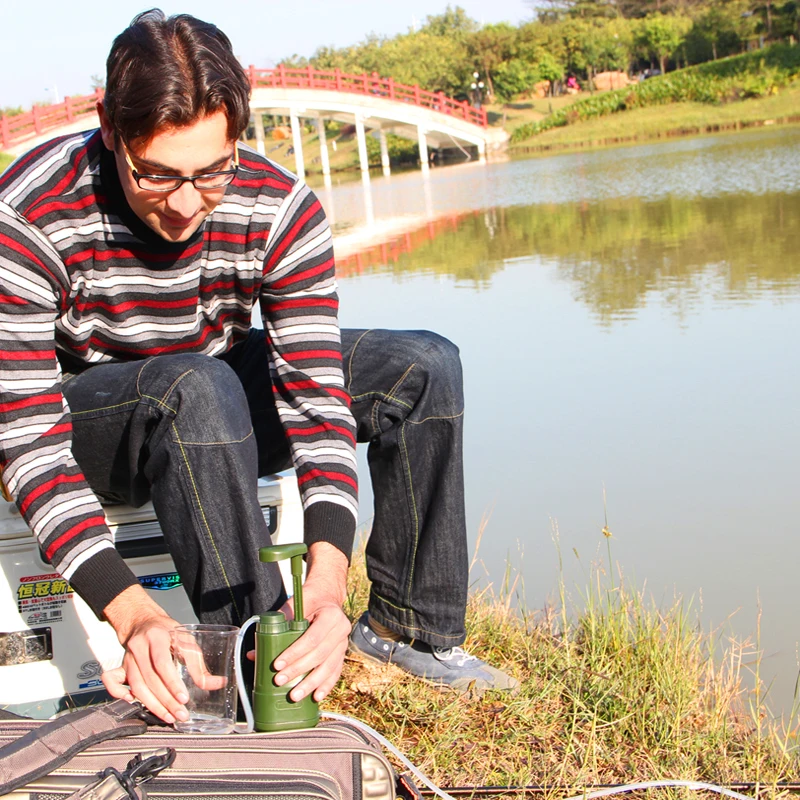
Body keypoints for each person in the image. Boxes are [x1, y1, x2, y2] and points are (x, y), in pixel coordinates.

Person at [0, 10, 515, 725]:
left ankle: (406, 629)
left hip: (211, 383)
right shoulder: (27, 216)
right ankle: (259, 659)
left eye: (212, 172)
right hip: (93, 409)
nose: (185, 204)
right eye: (157, 175)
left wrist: (329, 581)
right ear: (109, 128)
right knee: (196, 388)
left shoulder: (279, 209)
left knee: (422, 366)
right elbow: (26, 443)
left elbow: (317, 405)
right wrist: (132, 612)